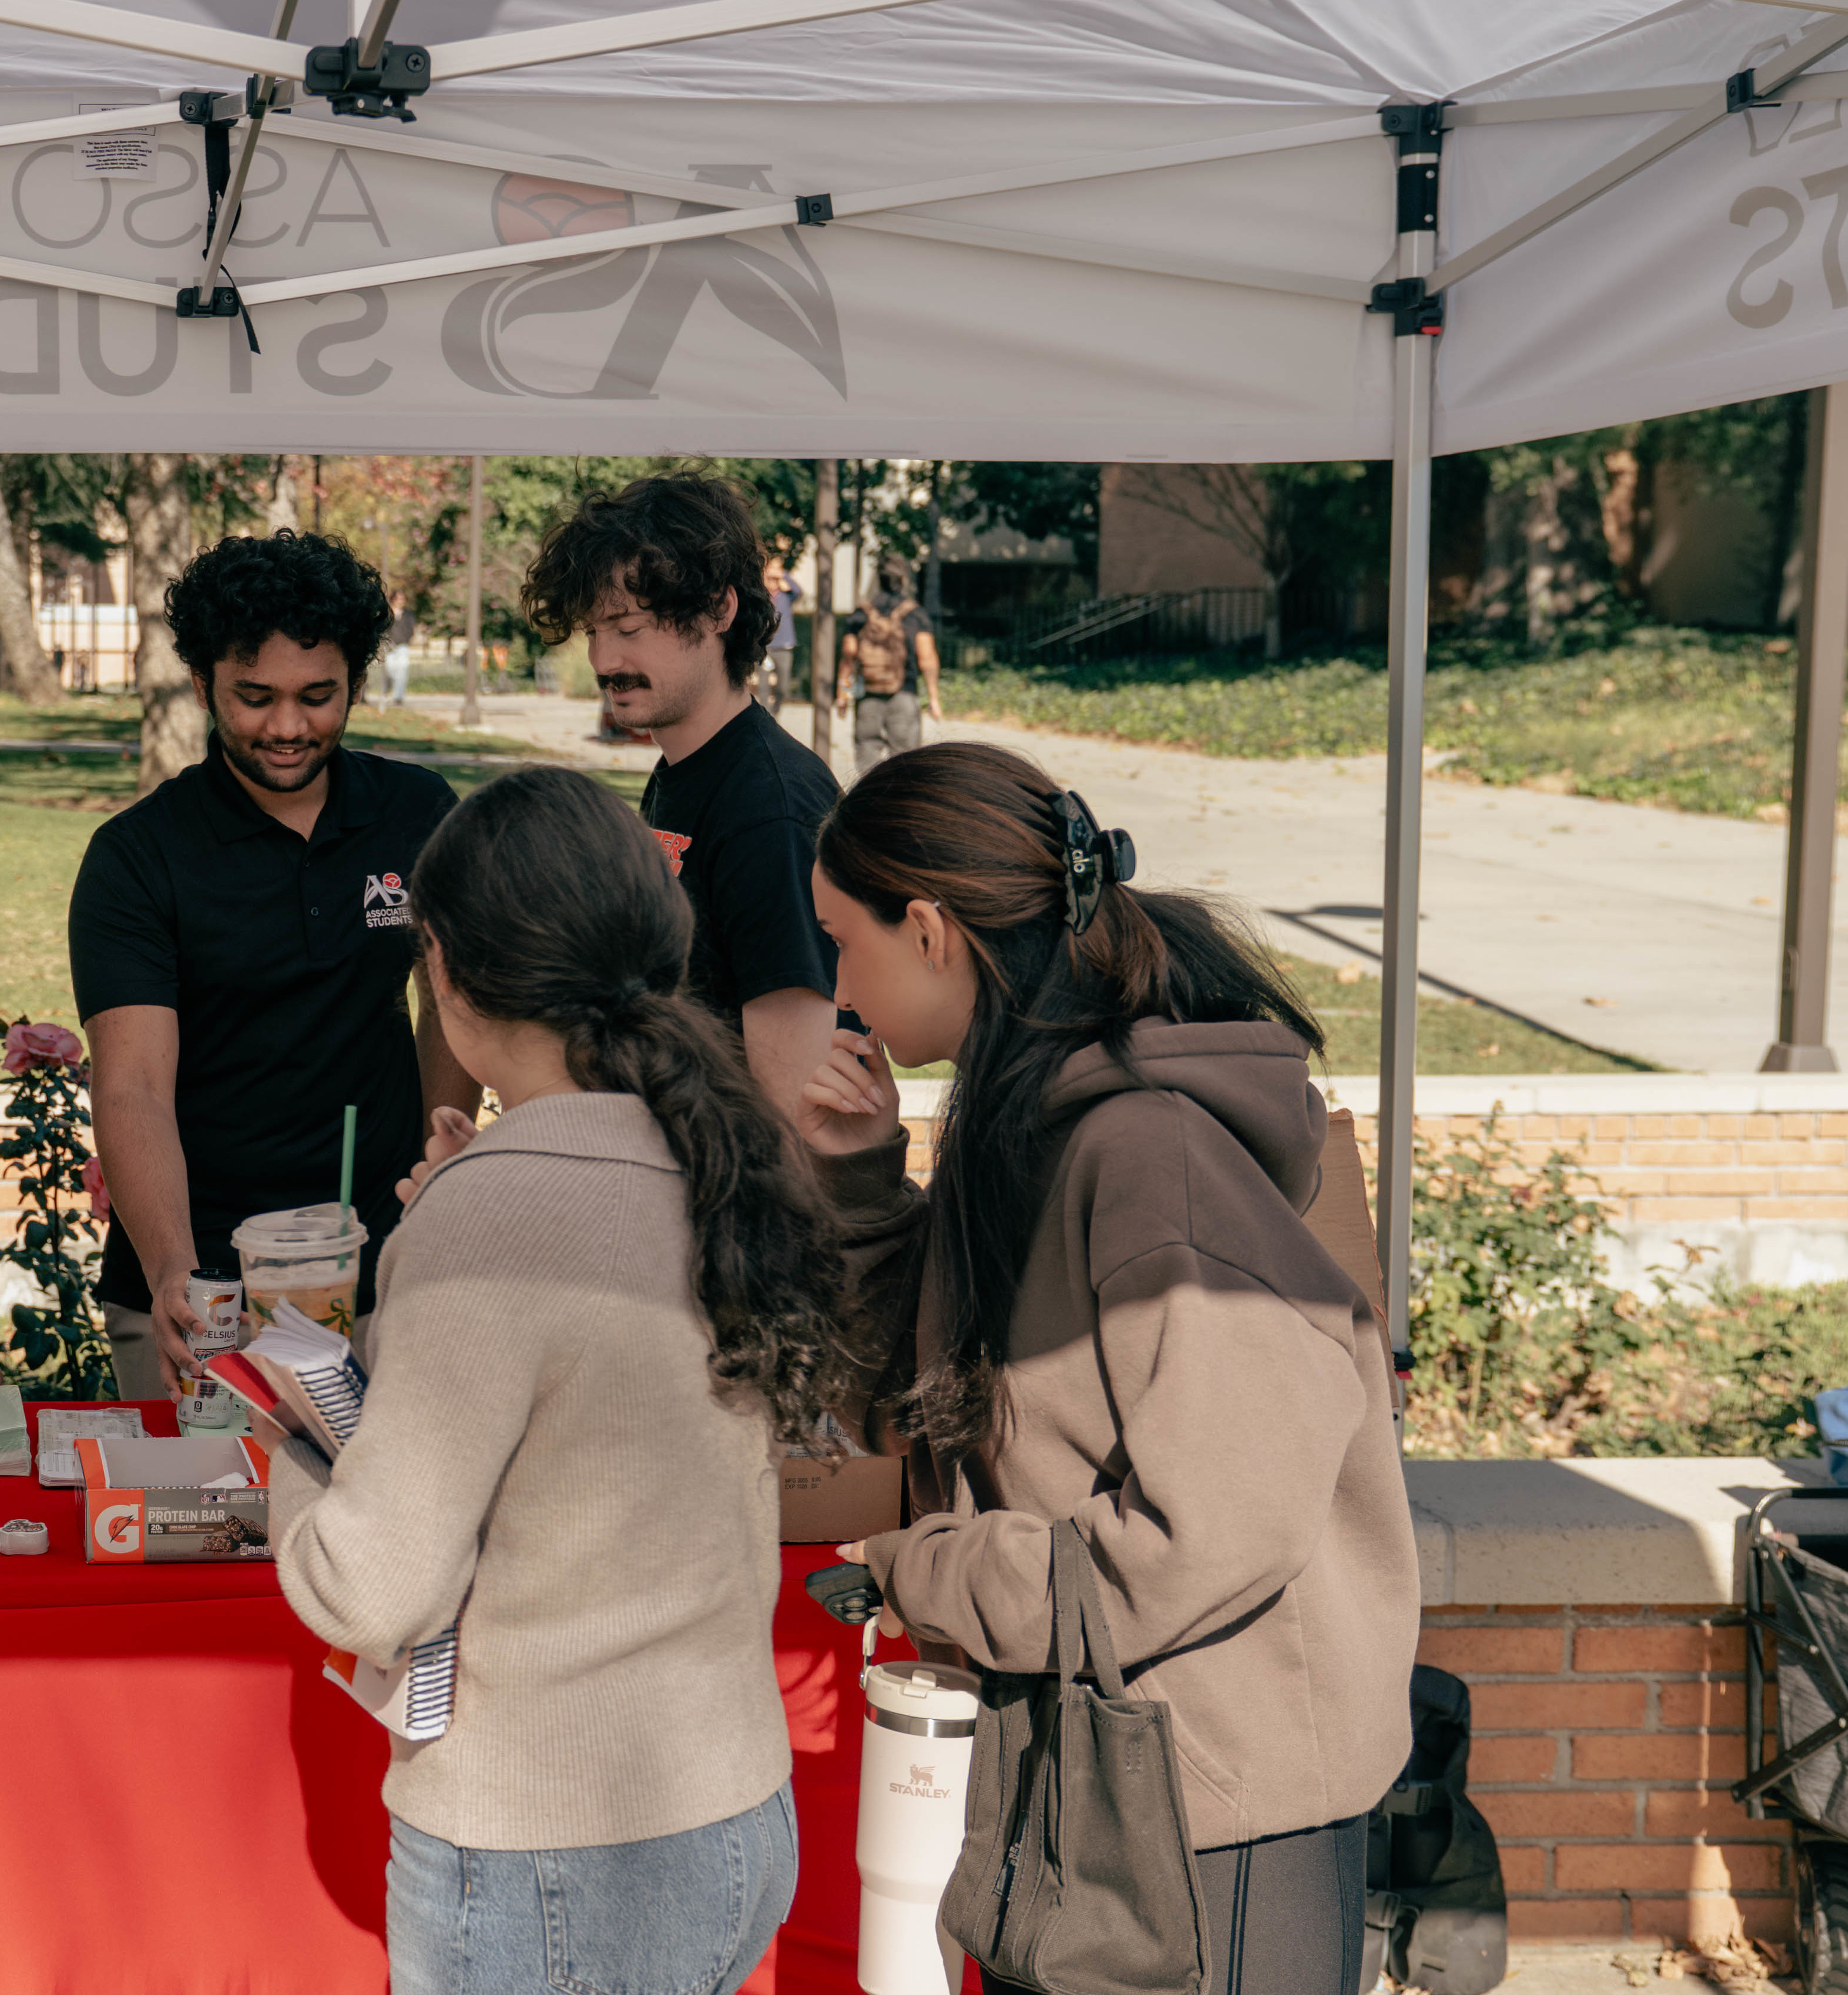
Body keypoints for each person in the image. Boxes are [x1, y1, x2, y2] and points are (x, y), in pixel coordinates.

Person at [796, 743, 1416, 1995]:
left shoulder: (1150, 1152)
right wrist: (865, 1182)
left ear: (928, 928)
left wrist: (935, 1569)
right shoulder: (1031, 1116)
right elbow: (918, 1406)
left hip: (1220, 1808)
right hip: (1110, 1767)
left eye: (840, 940)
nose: (836, 987)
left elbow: (1209, 1526)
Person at [262, 767, 855, 1995]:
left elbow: (372, 1585)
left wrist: (284, 1458)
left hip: (550, 1842)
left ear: (447, 965)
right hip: (734, 1800)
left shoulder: (494, 1210)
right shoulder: (709, 1148)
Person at [70, 530, 475, 1400]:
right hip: (202, 1293)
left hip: (380, 1275)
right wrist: (174, 1267)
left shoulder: (419, 813)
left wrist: (437, 1163)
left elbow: (451, 1002)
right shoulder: (138, 856)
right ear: (201, 684)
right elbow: (133, 1083)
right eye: (253, 697)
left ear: (356, 685)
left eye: (318, 696)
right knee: (202, 1527)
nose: (288, 727)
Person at [522, 473, 840, 1114]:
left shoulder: (771, 808)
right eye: (593, 632)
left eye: (629, 628)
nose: (604, 661)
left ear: (720, 610)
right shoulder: (684, 769)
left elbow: (798, 1097)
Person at [836, 570, 943, 774]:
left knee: (867, 749)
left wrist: (843, 694)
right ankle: (900, 803)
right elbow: (927, 658)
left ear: (879, 580)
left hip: (868, 693)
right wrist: (934, 697)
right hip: (905, 692)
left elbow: (848, 657)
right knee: (906, 758)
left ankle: (869, 801)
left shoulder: (861, 613)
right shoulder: (915, 614)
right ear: (903, 580)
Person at [761, 554, 798, 710]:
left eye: (776, 579)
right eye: (771, 579)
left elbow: (798, 590)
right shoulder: (762, 597)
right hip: (765, 648)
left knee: (783, 687)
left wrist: (783, 574)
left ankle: (775, 712)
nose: (773, 583)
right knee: (763, 685)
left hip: (784, 647)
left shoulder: (786, 596)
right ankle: (766, 714)